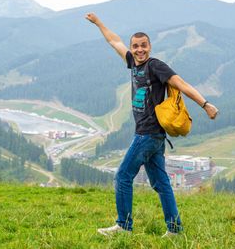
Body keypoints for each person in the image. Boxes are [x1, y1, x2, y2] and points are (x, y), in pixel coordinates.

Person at [86, 13, 219, 237]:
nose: (139, 50)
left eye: (144, 46)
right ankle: (175, 230)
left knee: (122, 176)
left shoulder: (156, 66)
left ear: (150, 47)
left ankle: (123, 227)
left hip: (147, 135)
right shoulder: (132, 63)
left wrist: (205, 104)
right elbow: (114, 41)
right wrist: (98, 23)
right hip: (155, 138)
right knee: (161, 183)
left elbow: (182, 84)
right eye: (135, 46)